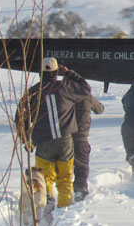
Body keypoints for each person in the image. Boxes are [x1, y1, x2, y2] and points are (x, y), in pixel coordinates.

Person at [15, 57, 91, 208]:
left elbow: (20, 116)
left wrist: (25, 138)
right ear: (57, 72)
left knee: (46, 177)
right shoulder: (65, 87)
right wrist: (69, 73)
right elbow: (86, 89)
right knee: (65, 179)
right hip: (65, 141)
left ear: (40, 73)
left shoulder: (32, 92)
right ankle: (65, 207)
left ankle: (48, 200)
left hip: (43, 141)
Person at [72, 93, 104, 202]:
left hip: (65, 136)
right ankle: (80, 189)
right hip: (81, 136)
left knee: (63, 168)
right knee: (81, 165)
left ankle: (63, 196)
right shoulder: (86, 95)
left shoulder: (62, 94)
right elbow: (99, 109)